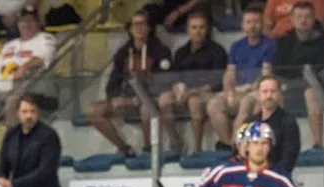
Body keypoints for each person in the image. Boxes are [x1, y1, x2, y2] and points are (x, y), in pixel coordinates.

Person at [86, 10, 172, 156]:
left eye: (142, 24)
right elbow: (114, 79)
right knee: (93, 110)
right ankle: (124, 148)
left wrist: (140, 97)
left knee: (146, 107)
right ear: (130, 29)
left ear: (149, 27)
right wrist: (115, 97)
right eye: (135, 24)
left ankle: (148, 150)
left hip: (150, 99)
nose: (138, 28)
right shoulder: (123, 53)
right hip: (127, 100)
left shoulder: (161, 51)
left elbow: (163, 81)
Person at [270, 2, 324, 149]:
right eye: (299, 17)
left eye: (307, 17)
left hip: (318, 91)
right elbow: (277, 70)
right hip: (291, 92)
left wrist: (290, 83)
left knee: (310, 93)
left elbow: (322, 75)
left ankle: (318, 144)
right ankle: (276, 143)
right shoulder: (283, 43)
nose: (303, 21)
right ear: (292, 20)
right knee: (270, 93)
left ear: (314, 19)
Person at [0, 5, 57, 126]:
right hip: (1, 94)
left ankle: (12, 142)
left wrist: (24, 67)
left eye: (31, 20)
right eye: (23, 21)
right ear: (18, 24)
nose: (27, 24)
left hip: (33, 92)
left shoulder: (46, 39)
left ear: (38, 24)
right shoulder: (9, 45)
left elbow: (43, 58)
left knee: (13, 101)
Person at [158, 12, 228, 155]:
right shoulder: (180, 53)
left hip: (209, 92)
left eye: (201, 27)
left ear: (207, 29)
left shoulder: (217, 50)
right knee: (164, 99)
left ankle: (197, 149)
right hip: (184, 92)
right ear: (188, 30)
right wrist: (177, 89)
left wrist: (193, 92)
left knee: (194, 101)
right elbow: (174, 77)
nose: (198, 31)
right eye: (194, 27)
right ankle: (176, 142)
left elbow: (218, 80)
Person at [208, 4, 276, 149]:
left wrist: (250, 88)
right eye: (248, 22)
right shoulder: (236, 46)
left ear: (262, 24)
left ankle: (235, 143)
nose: (252, 26)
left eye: (256, 22)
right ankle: (228, 144)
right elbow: (229, 73)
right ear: (243, 25)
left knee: (246, 103)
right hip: (238, 91)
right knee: (214, 105)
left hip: (256, 90)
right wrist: (229, 93)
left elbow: (266, 74)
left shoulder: (270, 45)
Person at [236, 75, 301, 174]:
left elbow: (288, 159)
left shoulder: (288, 122)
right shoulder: (249, 122)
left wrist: (268, 178)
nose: (269, 96)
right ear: (258, 95)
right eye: (265, 92)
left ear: (279, 94)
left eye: (273, 91)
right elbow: (236, 153)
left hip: (276, 180)